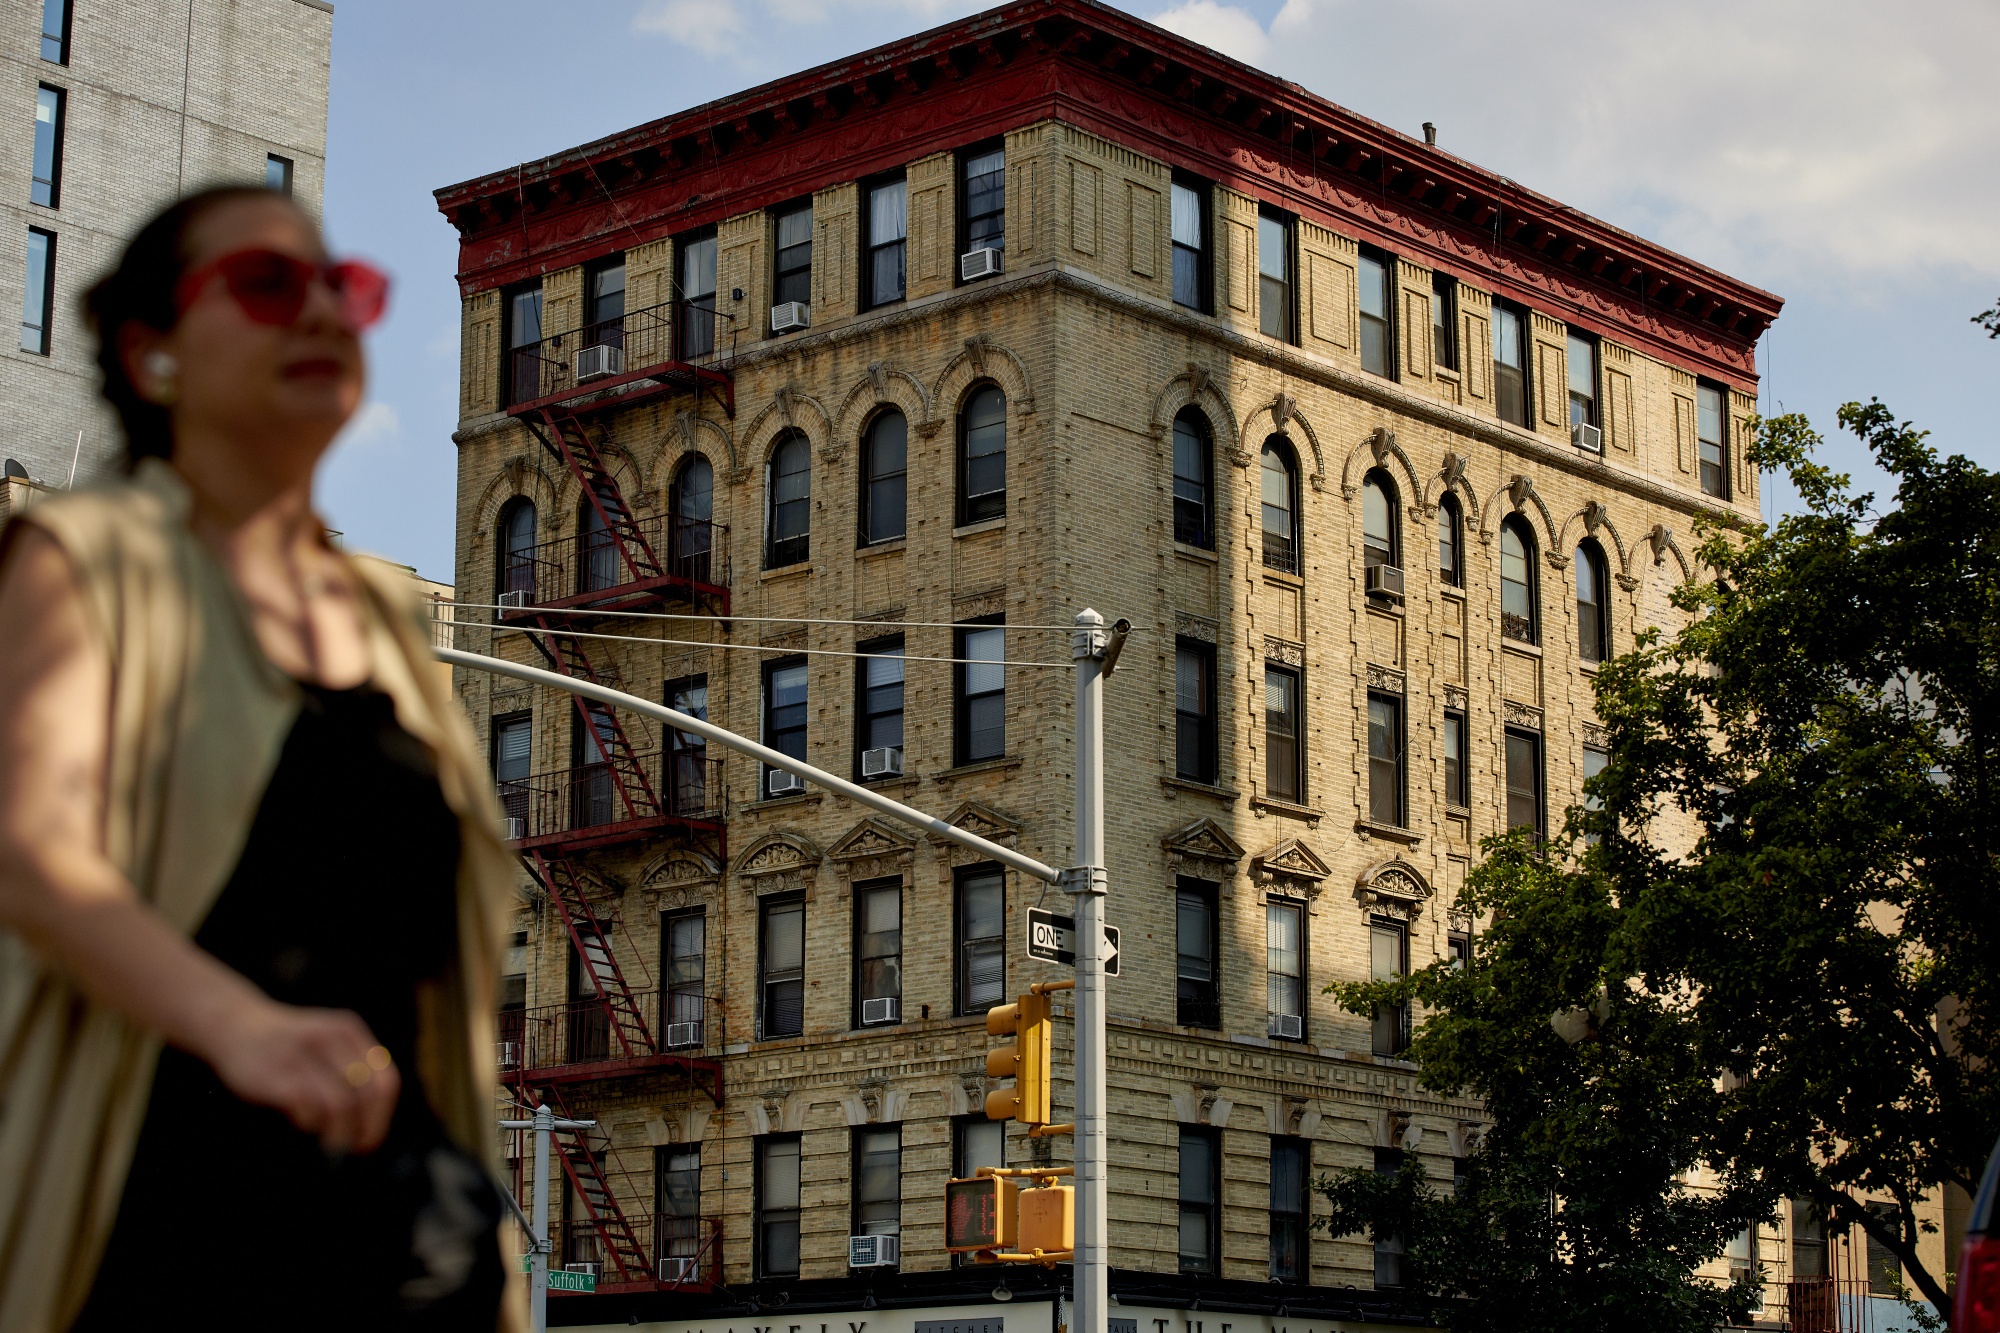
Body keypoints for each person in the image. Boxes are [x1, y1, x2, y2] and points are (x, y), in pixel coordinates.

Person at [0, 186, 522, 1332]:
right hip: (172, 1217)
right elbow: (31, 846)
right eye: (267, 285)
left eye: (341, 287)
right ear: (151, 351)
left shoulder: (382, 622)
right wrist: (240, 1026)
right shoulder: (85, 557)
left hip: (410, 1235)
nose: (322, 313)